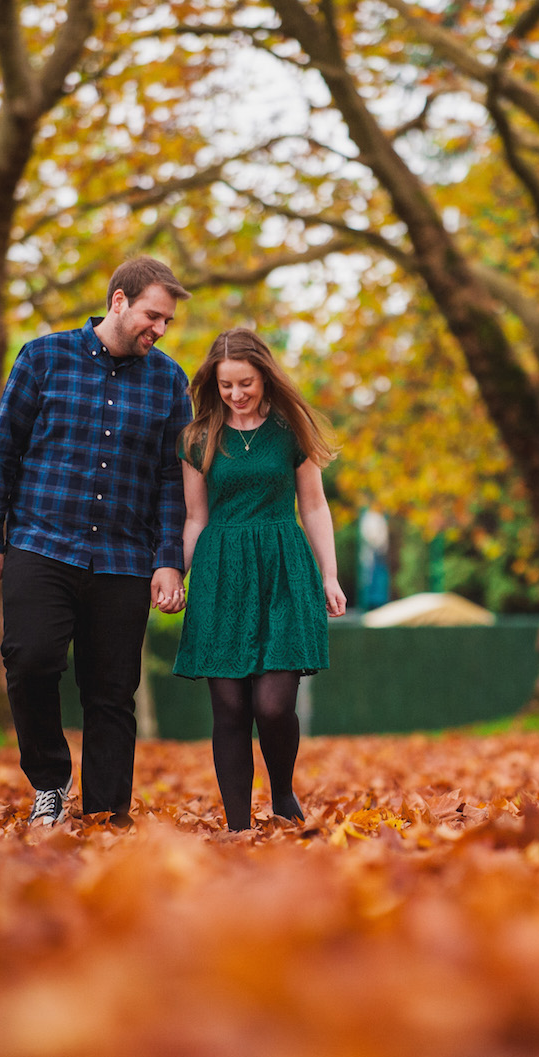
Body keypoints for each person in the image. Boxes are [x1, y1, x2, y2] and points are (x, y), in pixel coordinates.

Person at [0, 256, 194, 828]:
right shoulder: (43, 358)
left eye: (167, 321)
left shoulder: (170, 381)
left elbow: (174, 480)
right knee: (30, 660)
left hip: (123, 557)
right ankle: (50, 780)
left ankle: (105, 813)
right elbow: (3, 452)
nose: (159, 330)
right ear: (118, 301)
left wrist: (170, 561)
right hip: (41, 542)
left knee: (112, 692)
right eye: (152, 315)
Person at [173, 327, 346, 831]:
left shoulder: (292, 429)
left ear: (265, 377)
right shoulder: (197, 438)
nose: (236, 394)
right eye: (226, 386)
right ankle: (236, 826)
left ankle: (283, 791)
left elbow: (313, 506)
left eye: (245, 383)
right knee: (229, 708)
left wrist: (330, 575)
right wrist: (175, 577)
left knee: (272, 706)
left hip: (282, 567)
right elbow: (194, 518)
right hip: (220, 571)